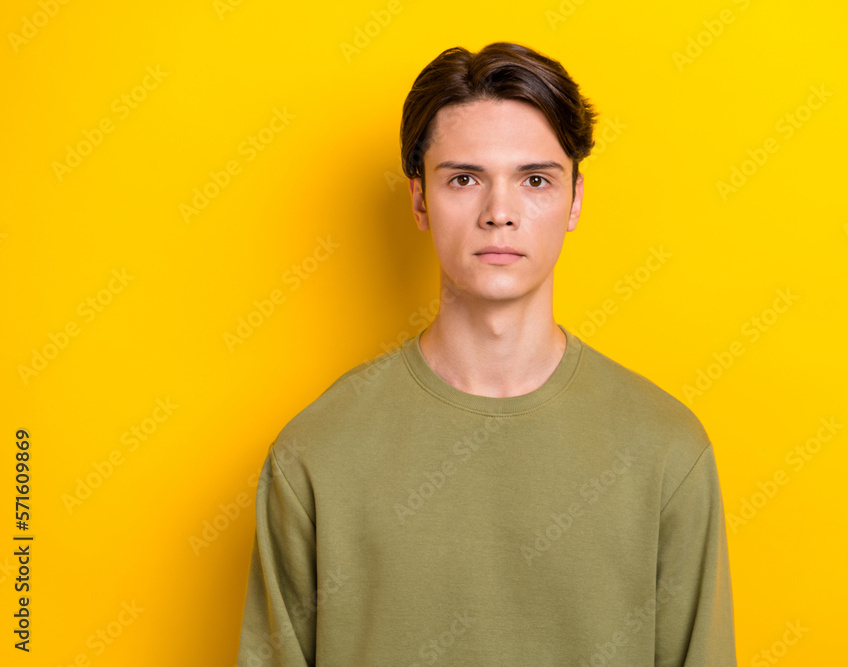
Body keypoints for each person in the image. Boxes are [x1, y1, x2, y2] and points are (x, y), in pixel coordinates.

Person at [236, 41, 737, 666]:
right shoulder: (315, 454)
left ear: (575, 199)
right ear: (419, 199)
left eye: (534, 180)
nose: (499, 213)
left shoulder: (667, 451)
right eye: (465, 179)